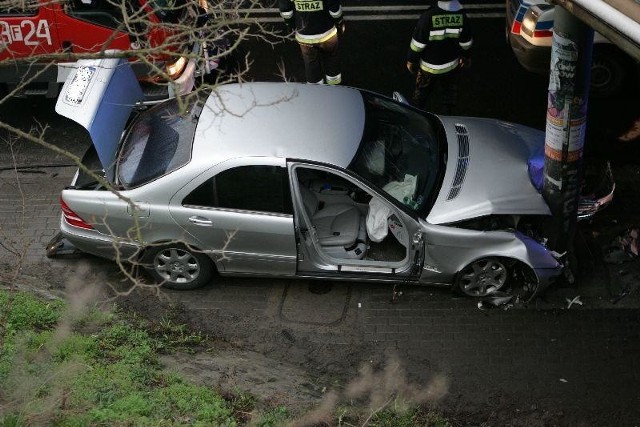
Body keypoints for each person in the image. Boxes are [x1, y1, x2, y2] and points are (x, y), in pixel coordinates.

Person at [406, 0, 473, 114]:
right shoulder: (461, 16)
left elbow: (418, 44)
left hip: (428, 68)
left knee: (421, 96)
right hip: (451, 67)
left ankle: (416, 115)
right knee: (448, 95)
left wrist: (411, 60)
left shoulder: (428, 16)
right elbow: (466, 43)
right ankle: (447, 117)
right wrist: (466, 57)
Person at [279, 0, 345, 85]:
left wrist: (289, 24)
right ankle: (334, 86)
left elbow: (285, 9)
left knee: (311, 64)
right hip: (327, 34)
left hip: (305, 36)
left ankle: (316, 90)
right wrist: (339, 22)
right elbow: (334, 9)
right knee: (331, 59)